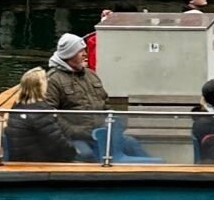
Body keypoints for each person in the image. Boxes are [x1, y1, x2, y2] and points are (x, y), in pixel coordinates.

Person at [45, 32, 155, 162]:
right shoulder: (53, 80)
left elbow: (105, 103)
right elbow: (50, 114)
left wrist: (112, 122)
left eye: (84, 50)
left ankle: (159, 170)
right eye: (80, 51)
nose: (85, 54)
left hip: (102, 133)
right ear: (69, 55)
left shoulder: (91, 75)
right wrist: (75, 131)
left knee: (131, 143)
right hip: (75, 137)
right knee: (85, 154)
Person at [2, 67, 78, 163]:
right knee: (85, 154)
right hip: (39, 161)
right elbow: (58, 142)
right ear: (40, 86)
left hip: (20, 158)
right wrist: (75, 152)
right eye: (46, 81)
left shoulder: (17, 107)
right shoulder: (40, 111)